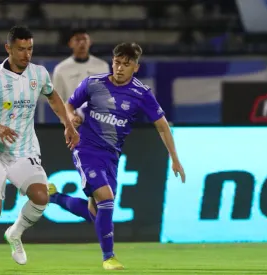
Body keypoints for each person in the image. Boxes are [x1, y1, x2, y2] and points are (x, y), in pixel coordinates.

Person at [48, 42, 186, 270]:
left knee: (97, 213)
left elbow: (162, 126)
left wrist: (175, 158)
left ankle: (55, 197)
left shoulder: (141, 93)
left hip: (111, 156)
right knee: (106, 197)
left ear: (136, 68)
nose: (119, 68)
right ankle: (108, 257)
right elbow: (68, 105)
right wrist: (71, 120)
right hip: (86, 148)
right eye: (117, 62)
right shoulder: (93, 84)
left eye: (126, 64)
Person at [0, 26, 79, 265]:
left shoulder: (39, 74)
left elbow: (52, 96)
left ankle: (15, 233)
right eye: (20, 49)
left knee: (41, 197)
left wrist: (67, 124)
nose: (26, 54)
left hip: (24, 149)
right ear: (8, 48)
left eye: (30, 49)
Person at [52, 28, 110, 102]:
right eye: (77, 40)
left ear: (90, 42)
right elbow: (57, 101)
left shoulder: (103, 66)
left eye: (85, 39)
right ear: (70, 44)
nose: (82, 43)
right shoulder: (61, 69)